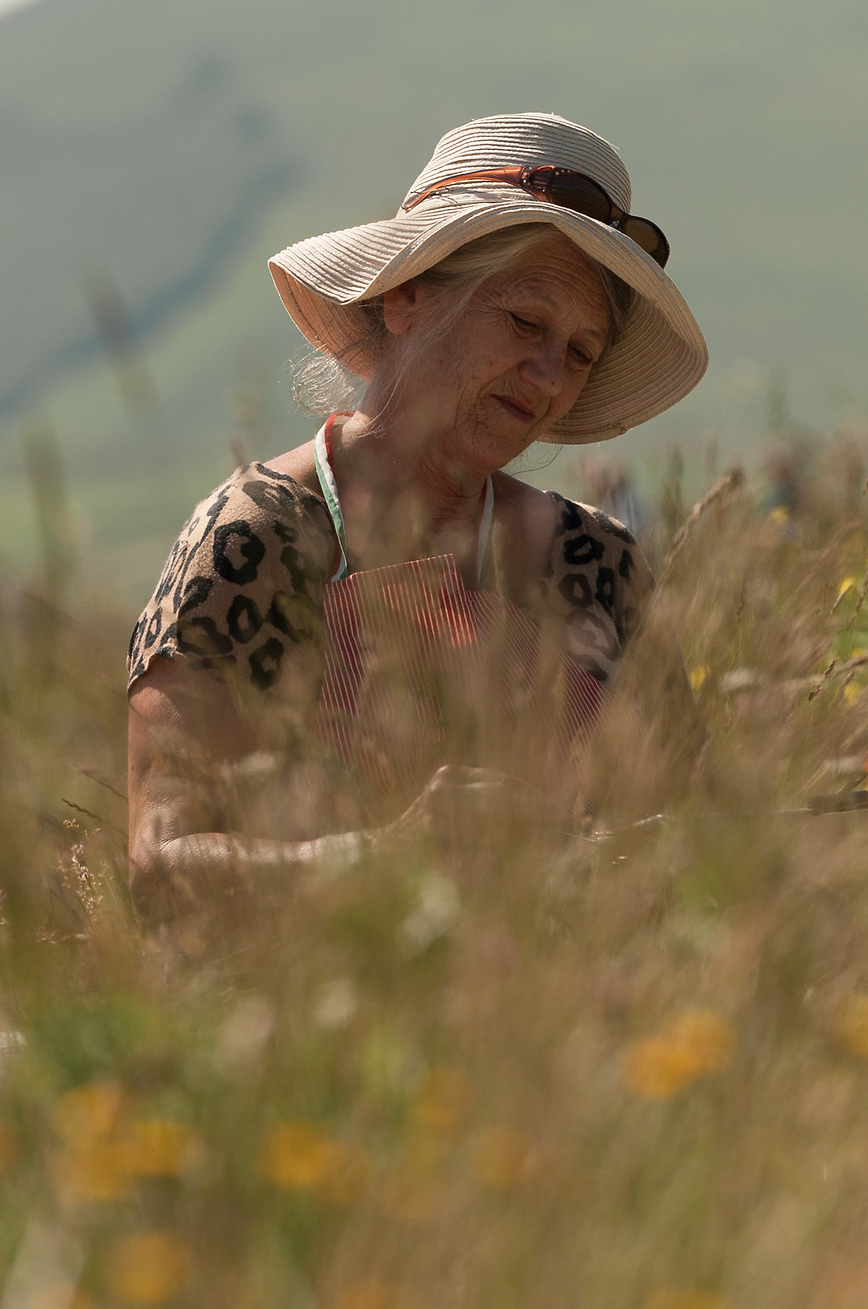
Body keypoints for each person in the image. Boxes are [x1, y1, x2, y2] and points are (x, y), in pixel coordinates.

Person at [123, 114, 707, 898]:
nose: (545, 378)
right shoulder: (260, 536)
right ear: (405, 297)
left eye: (578, 353)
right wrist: (385, 858)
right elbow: (161, 863)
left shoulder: (597, 561)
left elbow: (708, 837)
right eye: (525, 322)